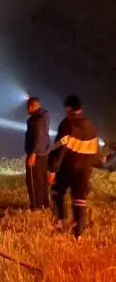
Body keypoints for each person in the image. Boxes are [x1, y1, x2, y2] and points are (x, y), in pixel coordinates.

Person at [48, 95, 101, 239]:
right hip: (85, 169)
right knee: (79, 199)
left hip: (68, 167)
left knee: (57, 192)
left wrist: (52, 169)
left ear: (69, 108)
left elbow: (60, 148)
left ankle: (60, 221)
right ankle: (78, 233)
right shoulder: (90, 125)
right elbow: (96, 151)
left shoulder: (67, 124)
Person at [24, 96, 50, 209]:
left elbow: (38, 136)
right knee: (42, 180)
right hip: (43, 154)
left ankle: (36, 206)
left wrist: (33, 154)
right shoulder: (44, 117)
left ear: (31, 107)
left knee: (33, 181)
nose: (27, 109)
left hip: (36, 154)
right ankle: (44, 204)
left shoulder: (37, 119)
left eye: (28, 107)